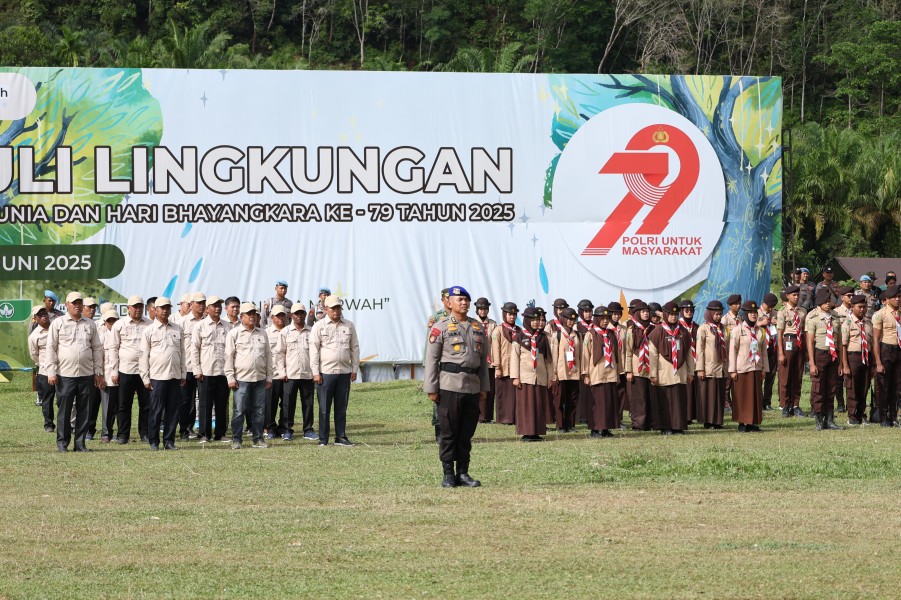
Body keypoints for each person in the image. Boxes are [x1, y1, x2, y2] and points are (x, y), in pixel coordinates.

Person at [424, 286, 489, 487]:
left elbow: (483, 362)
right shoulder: (441, 327)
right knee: (449, 431)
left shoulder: (477, 327)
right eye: (459, 299)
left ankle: (463, 473)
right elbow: (431, 360)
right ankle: (448, 474)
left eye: (466, 300)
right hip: (449, 385)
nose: (464, 303)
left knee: (466, 432)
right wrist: (431, 388)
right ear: (449, 302)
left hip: (472, 387)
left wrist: (484, 387)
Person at [45, 292, 105, 452]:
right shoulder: (58, 323)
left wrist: (98, 372)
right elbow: (50, 348)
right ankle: (63, 443)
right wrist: (51, 371)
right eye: (74, 303)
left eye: (80, 303)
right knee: (64, 410)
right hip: (65, 375)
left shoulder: (90, 324)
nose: (77, 305)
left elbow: (97, 348)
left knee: (84, 410)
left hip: (86, 374)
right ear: (66, 305)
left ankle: (80, 443)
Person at [310, 295, 360, 446]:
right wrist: (315, 372)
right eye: (332, 308)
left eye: (338, 307)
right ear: (325, 309)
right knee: (324, 408)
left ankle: (341, 437)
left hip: (344, 372)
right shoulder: (319, 326)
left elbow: (355, 348)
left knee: (341, 407)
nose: (336, 311)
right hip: (325, 373)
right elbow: (313, 350)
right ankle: (323, 439)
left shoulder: (349, 325)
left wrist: (354, 369)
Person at [140, 297, 186, 450]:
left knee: (173, 411)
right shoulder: (149, 330)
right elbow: (143, 356)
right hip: (157, 377)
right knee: (156, 411)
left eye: (168, 307)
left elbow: (183, 353)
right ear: (155, 310)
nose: (165, 310)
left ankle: (169, 441)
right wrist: (145, 378)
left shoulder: (177, 329)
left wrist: (183, 374)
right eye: (162, 308)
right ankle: (154, 441)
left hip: (174, 376)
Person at [226, 302, 273, 449]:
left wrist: (269, 376)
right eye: (249, 314)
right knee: (239, 411)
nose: (253, 317)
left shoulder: (262, 333)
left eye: (255, 314)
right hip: (241, 379)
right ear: (241, 317)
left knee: (259, 411)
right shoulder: (234, 333)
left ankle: (258, 439)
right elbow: (229, 357)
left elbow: (268, 356)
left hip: (259, 378)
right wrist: (230, 377)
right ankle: (236, 439)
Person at [648, 302, 695, 435]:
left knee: (679, 400)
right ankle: (666, 426)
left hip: (680, 372)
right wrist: (653, 374)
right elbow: (653, 355)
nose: (673, 317)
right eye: (671, 314)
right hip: (664, 373)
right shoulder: (657, 331)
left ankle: (678, 426)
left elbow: (688, 354)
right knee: (665, 401)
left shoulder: (683, 332)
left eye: (675, 315)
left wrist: (691, 372)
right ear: (666, 315)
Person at [112, 296, 153, 444]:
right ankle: (123, 435)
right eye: (134, 306)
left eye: (140, 306)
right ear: (128, 308)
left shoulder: (150, 324)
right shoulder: (119, 325)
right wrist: (114, 371)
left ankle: (145, 433)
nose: (137, 309)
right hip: (125, 370)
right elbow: (113, 349)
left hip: (145, 371)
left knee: (146, 405)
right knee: (123, 405)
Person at [510, 306, 555, 442]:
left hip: (540, 377)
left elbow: (549, 360)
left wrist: (551, 377)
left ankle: (537, 432)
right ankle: (526, 432)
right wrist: (515, 377)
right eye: (533, 319)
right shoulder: (519, 336)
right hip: (525, 378)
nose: (536, 322)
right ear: (526, 320)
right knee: (526, 405)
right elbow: (514, 358)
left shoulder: (543, 337)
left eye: (538, 319)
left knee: (539, 404)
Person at [191, 295, 231, 443]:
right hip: (206, 371)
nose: (218, 308)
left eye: (219, 305)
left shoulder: (227, 326)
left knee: (221, 403)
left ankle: (220, 434)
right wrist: (197, 369)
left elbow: (231, 350)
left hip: (223, 371)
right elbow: (194, 349)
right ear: (207, 309)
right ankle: (204, 434)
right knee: (204, 404)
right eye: (214, 305)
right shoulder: (200, 326)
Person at [805, 288, 844, 430]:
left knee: (831, 387)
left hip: (833, 356)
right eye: (825, 301)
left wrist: (840, 363)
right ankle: (819, 419)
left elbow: (839, 341)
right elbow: (809, 341)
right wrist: (812, 362)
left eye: (830, 301)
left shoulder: (836, 318)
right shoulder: (814, 318)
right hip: (819, 354)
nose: (828, 304)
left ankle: (830, 419)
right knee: (818, 388)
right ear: (819, 302)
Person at [278, 304, 317, 441]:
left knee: (308, 403)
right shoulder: (285, 332)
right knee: (288, 403)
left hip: (308, 374)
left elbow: (316, 353)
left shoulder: (312, 331)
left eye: (301, 313)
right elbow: (280, 354)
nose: (299, 316)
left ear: (305, 314)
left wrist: (316, 372)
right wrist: (282, 372)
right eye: (296, 313)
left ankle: (308, 430)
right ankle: (287, 430)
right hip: (290, 374)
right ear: (291, 315)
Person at [728, 300, 769, 432]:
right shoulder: (737, 330)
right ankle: (742, 422)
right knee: (741, 396)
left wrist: (764, 369)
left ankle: (753, 422)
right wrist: (732, 370)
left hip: (756, 368)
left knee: (755, 397)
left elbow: (764, 352)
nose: (753, 315)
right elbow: (732, 351)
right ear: (745, 314)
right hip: (742, 368)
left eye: (754, 312)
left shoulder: (760, 331)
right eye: (750, 312)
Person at [582, 306, 621, 437]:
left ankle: (606, 428)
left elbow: (617, 354)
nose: (605, 321)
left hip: (610, 372)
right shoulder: (591, 334)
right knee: (597, 402)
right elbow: (585, 355)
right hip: (596, 373)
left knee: (609, 401)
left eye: (606, 318)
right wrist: (586, 374)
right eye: (602, 318)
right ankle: (595, 429)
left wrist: (618, 372)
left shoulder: (611, 334)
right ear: (597, 319)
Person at [548, 307, 581, 433]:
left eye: (573, 319)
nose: (571, 322)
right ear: (563, 319)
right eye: (569, 319)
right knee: (560, 399)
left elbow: (580, 355)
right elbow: (554, 355)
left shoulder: (577, 335)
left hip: (574, 372)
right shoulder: (557, 335)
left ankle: (570, 424)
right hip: (561, 372)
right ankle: (561, 425)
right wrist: (554, 373)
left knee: (572, 399)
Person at [841, 295, 873, 425]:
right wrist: (845, 365)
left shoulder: (868, 323)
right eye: (859, 307)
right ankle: (852, 416)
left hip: (866, 357)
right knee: (852, 387)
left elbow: (872, 342)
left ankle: (861, 414)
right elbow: (843, 345)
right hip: (853, 357)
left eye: (864, 307)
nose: (862, 309)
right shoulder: (847, 323)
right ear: (852, 307)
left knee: (864, 386)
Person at [696, 300, 727, 429]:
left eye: (720, 314)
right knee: (708, 395)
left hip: (721, 367)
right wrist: (700, 369)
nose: (718, 316)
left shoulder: (724, 328)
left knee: (719, 395)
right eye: (716, 314)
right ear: (710, 313)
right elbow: (700, 349)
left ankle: (718, 421)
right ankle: (708, 421)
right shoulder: (703, 328)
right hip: (708, 367)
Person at [179, 292, 206, 440]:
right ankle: (185, 430)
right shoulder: (183, 323)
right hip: (188, 366)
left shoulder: (208, 322)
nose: (201, 305)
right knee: (186, 401)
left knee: (203, 400)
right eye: (198, 303)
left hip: (205, 367)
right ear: (191, 305)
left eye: (203, 303)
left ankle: (202, 430)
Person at [872, 284, 900, 428]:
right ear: (887, 299)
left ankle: (894, 417)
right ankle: (883, 417)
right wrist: (878, 361)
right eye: (894, 297)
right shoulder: (880, 314)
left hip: (899, 350)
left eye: (899, 297)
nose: (897, 299)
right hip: (885, 349)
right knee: (884, 386)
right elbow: (876, 340)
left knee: (896, 387)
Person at [776, 285, 807, 417]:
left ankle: (795, 404)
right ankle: (784, 405)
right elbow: (779, 333)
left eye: (797, 295)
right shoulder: (782, 312)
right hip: (788, 340)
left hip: (800, 342)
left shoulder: (803, 311)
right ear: (787, 296)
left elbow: (805, 330)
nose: (796, 297)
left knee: (797, 375)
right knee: (785, 375)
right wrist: (781, 353)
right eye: (793, 295)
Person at [624, 301, 654, 431]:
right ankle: (638, 423)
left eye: (647, 311)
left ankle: (650, 423)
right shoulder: (632, 330)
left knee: (651, 397)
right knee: (639, 398)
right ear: (637, 313)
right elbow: (628, 352)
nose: (646, 314)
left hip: (651, 367)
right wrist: (629, 371)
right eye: (643, 312)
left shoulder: (654, 328)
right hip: (637, 368)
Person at [425, 288, 450, 441]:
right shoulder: (436, 317)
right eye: (447, 298)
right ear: (442, 300)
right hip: (440, 364)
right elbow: (430, 344)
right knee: (438, 398)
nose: (449, 301)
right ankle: (439, 431)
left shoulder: (461, 317)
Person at [490, 302, 519, 426]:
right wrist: (497, 367)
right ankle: (504, 417)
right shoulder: (498, 330)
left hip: (516, 367)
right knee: (503, 393)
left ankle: (514, 416)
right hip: (504, 365)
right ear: (504, 314)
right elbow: (495, 350)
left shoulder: (519, 330)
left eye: (514, 314)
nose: (512, 317)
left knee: (514, 394)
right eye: (509, 314)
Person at [28, 306, 55, 433]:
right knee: (47, 399)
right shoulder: (34, 336)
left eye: (45, 313)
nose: (44, 315)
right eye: (40, 314)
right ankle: (49, 424)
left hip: (63, 369)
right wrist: (45, 364)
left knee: (64, 398)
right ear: (36, 319)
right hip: (45, 371)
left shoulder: (57, 328)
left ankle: (66, 424)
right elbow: (34, 355)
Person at [263, 305, 288, 438]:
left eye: (282, 315)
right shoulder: (266, 333)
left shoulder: (290, 331)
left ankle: (284, 428)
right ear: (272, 317)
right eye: (277, 316)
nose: (280, 318)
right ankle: (270, 427)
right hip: (272, 374)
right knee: (270, 403)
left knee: (286, 403)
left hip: (288, 374)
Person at [81, 297, 102, 440]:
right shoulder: (76, 324)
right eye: (89, 307)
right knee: (81, 403)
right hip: (78, 370)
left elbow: (98, 349)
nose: (92, 309)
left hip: (95, 370)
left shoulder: (98, 324)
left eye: (94, 307)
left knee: (93, 402)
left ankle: (90, 429)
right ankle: (78, 428)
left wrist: (98, 371)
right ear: (82, 308)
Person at [474, 297, 497, 423]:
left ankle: (487, 416)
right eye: (481, 309)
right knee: (477, 388)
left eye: (485, 309)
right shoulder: (472, 323)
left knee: (490, 389)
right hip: (477, 360)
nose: (483, 311)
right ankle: (477, 415)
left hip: (490, 361)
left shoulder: (493, 324)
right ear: (477, 310)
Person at [98, 309, 119, 443]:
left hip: (121, 375)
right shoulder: (101, 338)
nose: (111, 323)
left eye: (114, 320)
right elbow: (98, 359)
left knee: (118, 407)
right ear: (104, 322)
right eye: (109, 321)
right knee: (107, 406)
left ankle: (116, 432)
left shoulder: (122, 335)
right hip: (106, 376)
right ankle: (106, 433)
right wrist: (99, 376)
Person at [757, 293, 779, 411]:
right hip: (760, 348)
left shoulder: (775, 313)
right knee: (761, 374)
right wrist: (760, 323)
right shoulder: (756, 313)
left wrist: (776, 321)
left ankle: (767, 401)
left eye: (773, 306)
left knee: (771, 375)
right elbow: (749, 325)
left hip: (772, 347)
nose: (770, 308)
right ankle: (759, 401)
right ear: (764, 303)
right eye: (769, 306)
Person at [608, 301, 629, 428]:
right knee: (610, 394)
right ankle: (609, 418)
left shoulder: (624, 329)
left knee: (621, 394)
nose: (616, 316)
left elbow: (627, 349)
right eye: (614, 314)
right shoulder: (605, 329)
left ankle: (618, 419)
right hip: (610, 366)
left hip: (622, 367)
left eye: (618, 314)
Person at [678, 300, 699, 421]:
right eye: (686, 310)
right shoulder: (678, 327)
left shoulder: (696, 327)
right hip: (682, 361)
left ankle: (691, 415)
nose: (689, 313)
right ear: (681, 311)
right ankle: (684, 415)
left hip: (695, 362)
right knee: (684, 389)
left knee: (693, 389)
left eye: (691, 310)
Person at [575, 299, 595, 426]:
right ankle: (581, 416)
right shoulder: (576, 326)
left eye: (589, 311)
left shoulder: (595, 326)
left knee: (592, 390)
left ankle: (591, 415)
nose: (588, 314)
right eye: (585, 311)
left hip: (592, 361)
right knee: (581, 391)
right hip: (579, 361)